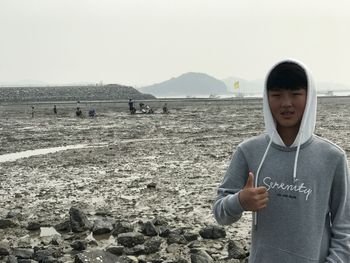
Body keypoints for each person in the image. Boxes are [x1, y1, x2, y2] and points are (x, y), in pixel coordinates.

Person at [212, 59, 350, 262]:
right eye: (276, 95)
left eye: (295, 94)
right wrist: (240, 201)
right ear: (266, 99)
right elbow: (220, 213)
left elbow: (344, 226)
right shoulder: (248, 151)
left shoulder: (332, 157)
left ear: (309, 96)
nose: (286, 103)